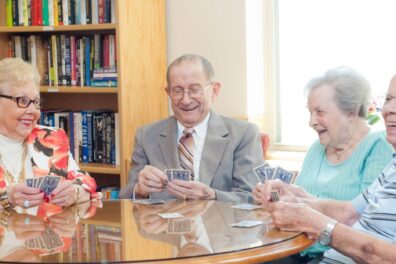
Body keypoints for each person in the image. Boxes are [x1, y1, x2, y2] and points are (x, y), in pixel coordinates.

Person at [254, 74, 396, 263]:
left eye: (320, 112)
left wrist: (315, 222)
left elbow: (375, 251)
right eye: (388, 99)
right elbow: (350, 212)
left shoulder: (378, 146)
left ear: (352, 112)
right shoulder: (393, 165)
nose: (389, 109)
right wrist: (295, 199)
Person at [119, 54, 263, 203]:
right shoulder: (147, 135)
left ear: (214, 91)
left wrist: (212, 195)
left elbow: (252, 197)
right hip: (163, 225)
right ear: (168, 93)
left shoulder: (243, 134)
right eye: (177, 91)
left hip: (219, 225)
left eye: (194, 90)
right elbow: (125, 197)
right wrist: (140, 190)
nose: (186, 100)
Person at [0, 57, 98, 210]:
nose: (32, 111)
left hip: (43, 230)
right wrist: (7, 198)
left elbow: (85, 182)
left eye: (36, 102)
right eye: (22, 101)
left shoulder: (50, 138)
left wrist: (76, 193)